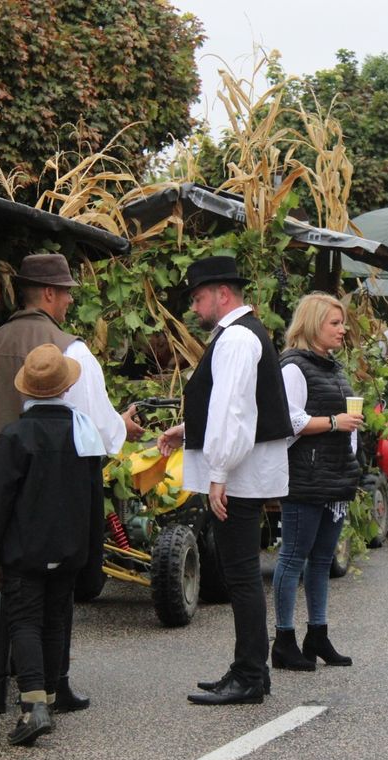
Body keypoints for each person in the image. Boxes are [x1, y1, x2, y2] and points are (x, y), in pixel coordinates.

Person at [0, 252, 140, 714]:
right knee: (55, 598)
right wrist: (125, 428)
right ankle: (56, 686)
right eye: (68, 292)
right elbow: (97, 429)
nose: (71, 301)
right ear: (50, 294)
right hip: (54, 494)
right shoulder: (69, 349)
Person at [157, 256, 292, 705]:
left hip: (238, 475)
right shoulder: (242, 333)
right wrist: (188, 432)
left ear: (222, 294)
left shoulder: (235, 338)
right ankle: (248, 669)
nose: (194, 308)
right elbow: (227, 408)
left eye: (197, 298)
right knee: (241, 575)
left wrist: (218, 473)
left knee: (241, 576)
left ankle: (251, 674)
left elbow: (234, 411)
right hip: (243, 471)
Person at [0, 344, 107, 746]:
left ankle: (33, 706)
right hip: (69, 551)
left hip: (23, 551)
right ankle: (49, 695)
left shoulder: (14, 435)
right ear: (66, 388)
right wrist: (92, 559)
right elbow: (94, 502)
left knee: (25, 621)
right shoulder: (83, 433)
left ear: (27, 390)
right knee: (56, 619)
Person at [272, 293, 364, 672]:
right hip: (304, 478)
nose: (343, 330)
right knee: (293, 557)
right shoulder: (293, 366)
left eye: (342, 323)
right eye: (335, 324)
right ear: (313, 325)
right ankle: (283, 639)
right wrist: (333, 423)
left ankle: (317, 633)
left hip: (334, 477)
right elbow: (287, 421)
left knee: (322, 560)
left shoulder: (332, 367)